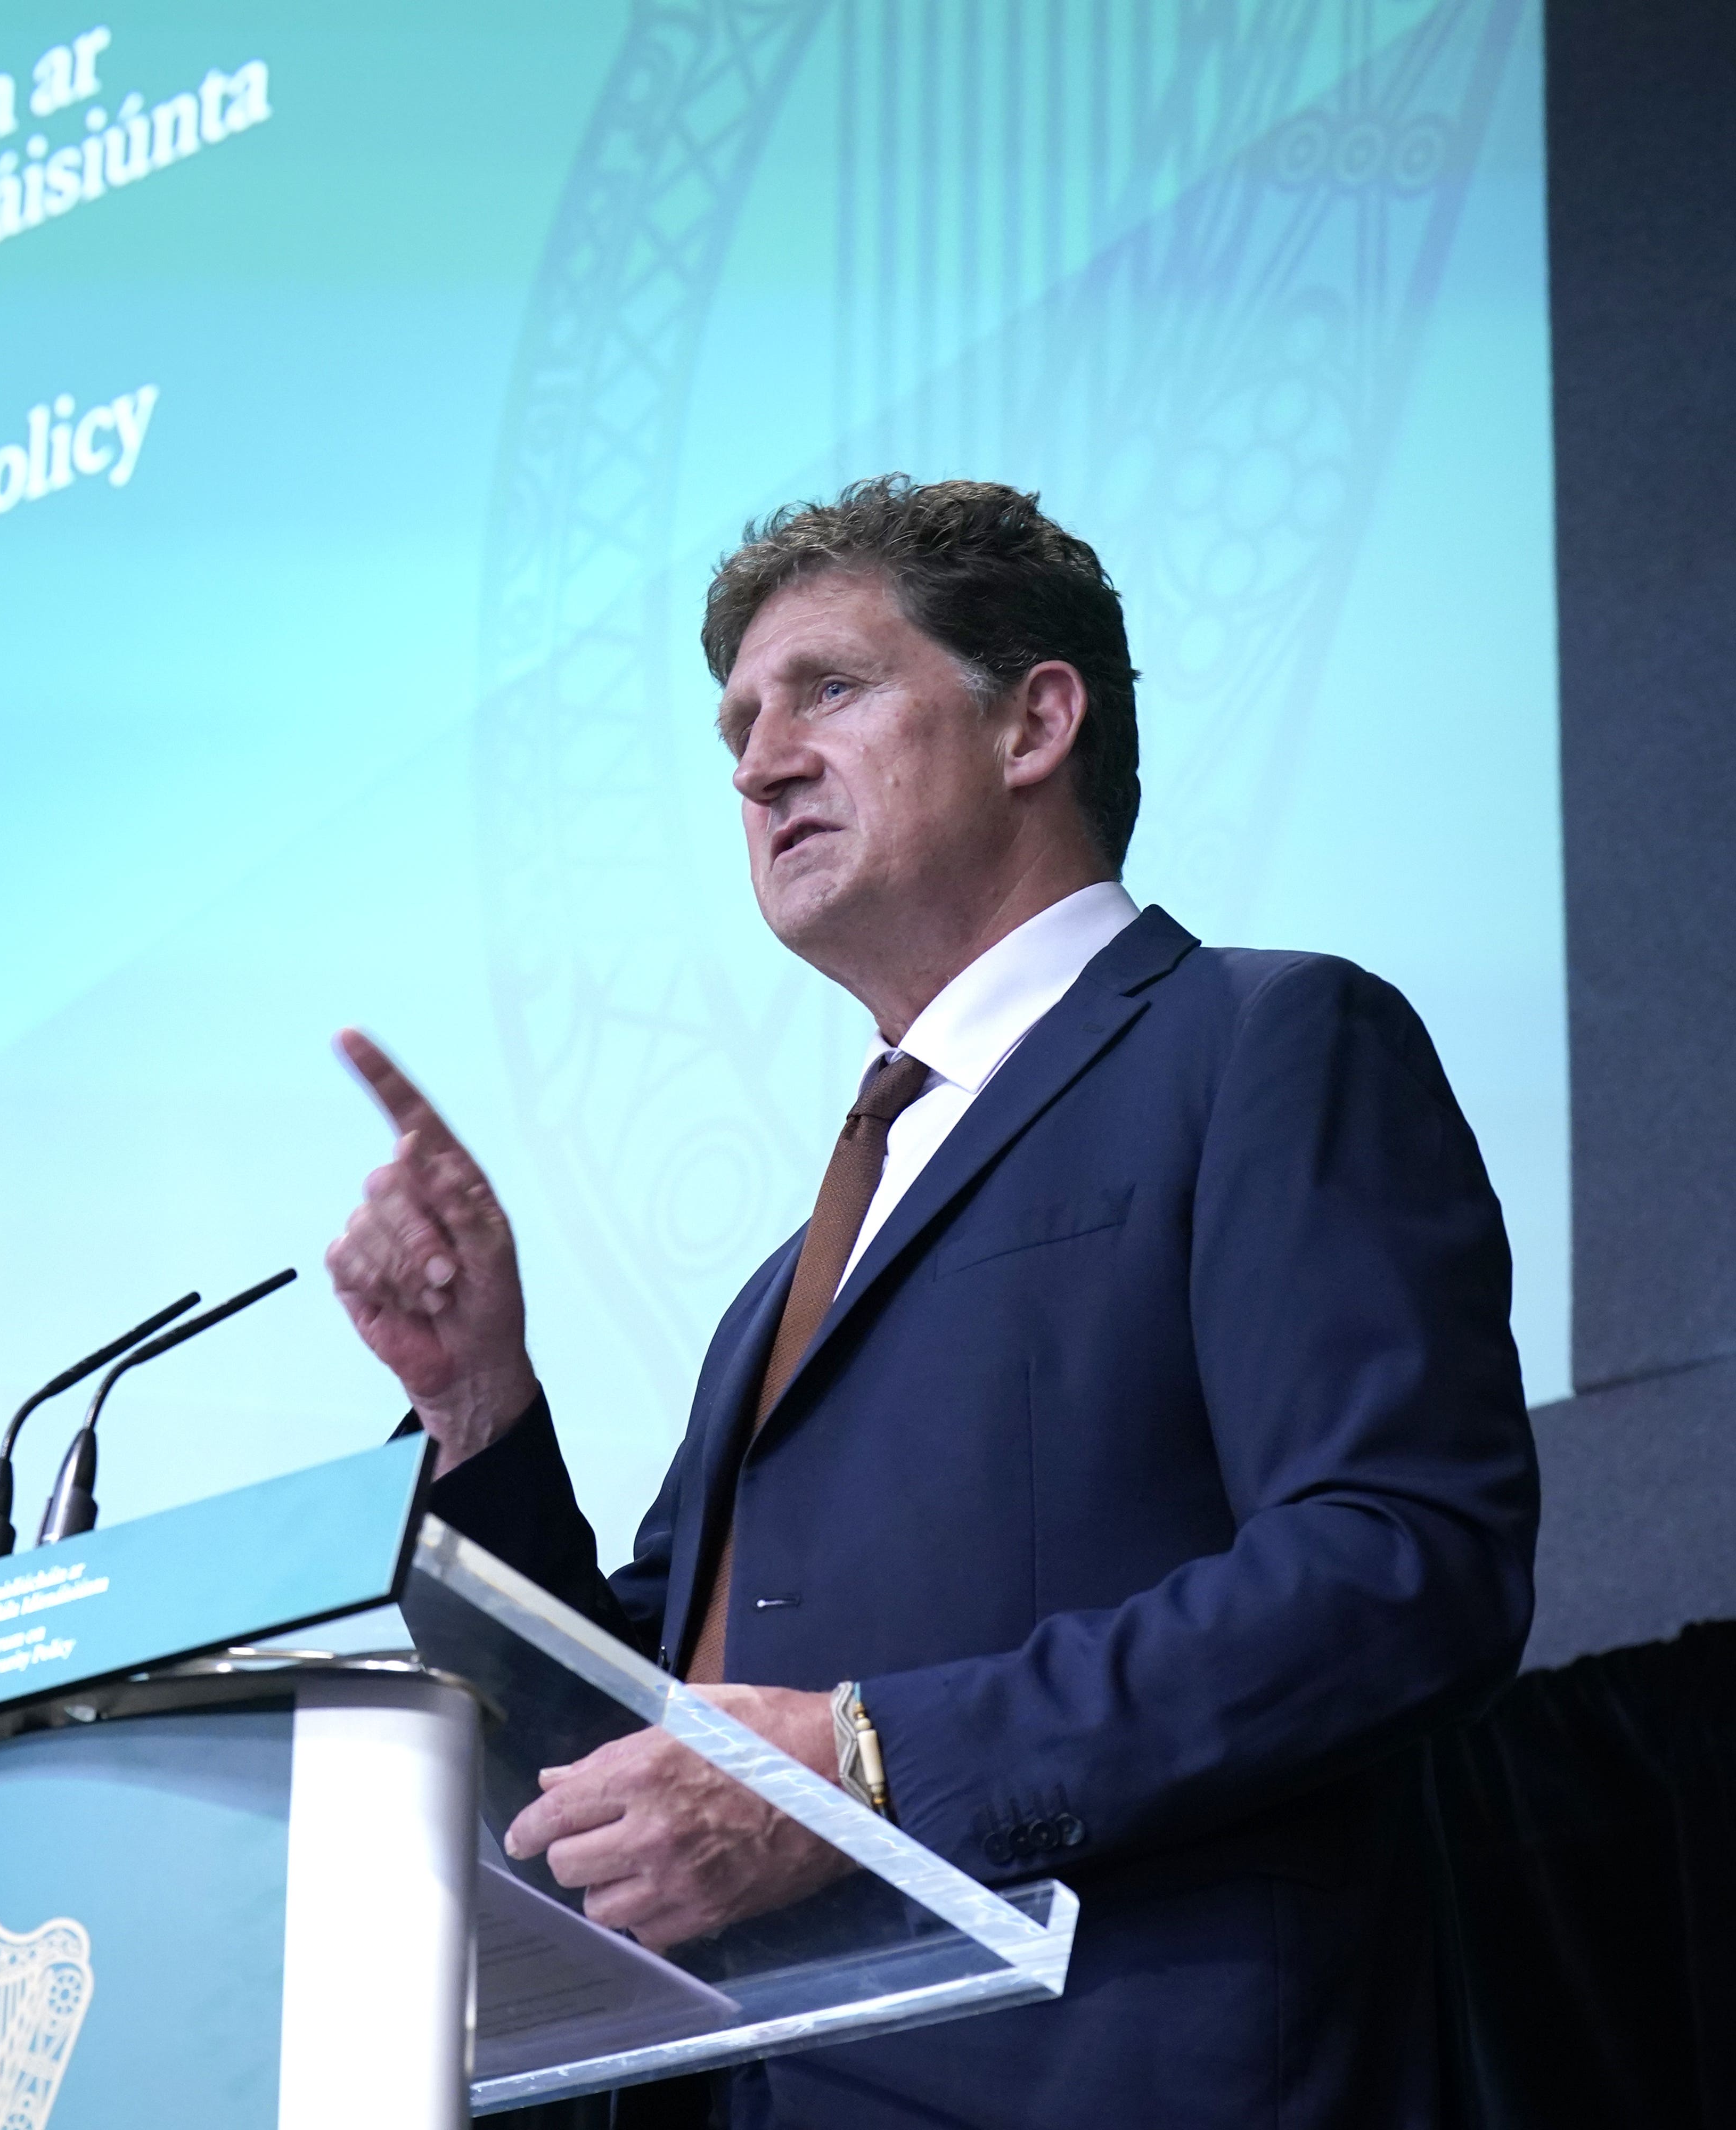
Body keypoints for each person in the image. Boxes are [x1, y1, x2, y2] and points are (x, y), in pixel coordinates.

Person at [327, 477, 1537, 2129]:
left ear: (1038, 720)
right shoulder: (788, 1280)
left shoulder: (1259, 1047)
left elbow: (1400, 1573)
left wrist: (867, 1763)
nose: (757, 764)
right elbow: (625, 1742)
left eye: (827, 688)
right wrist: (479, 1411)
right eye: (737, 725)